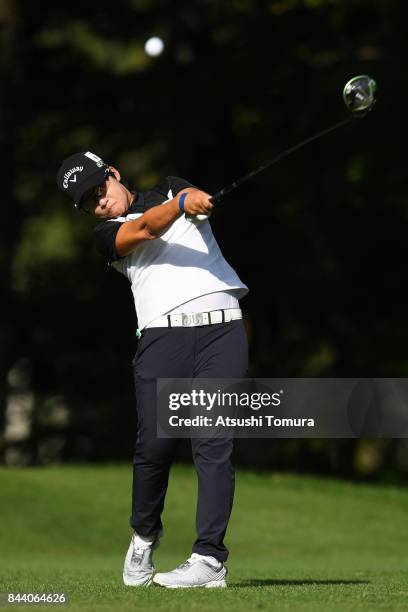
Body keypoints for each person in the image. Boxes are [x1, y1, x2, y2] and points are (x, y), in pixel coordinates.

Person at [57, 151, 249, 588]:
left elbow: (184, 192)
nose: (99, 203)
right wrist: (182, 206)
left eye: (99, 189)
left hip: (223, 333)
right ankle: (144, 536)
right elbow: (145, 228)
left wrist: (192, 196)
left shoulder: (169, 186)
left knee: (213, 445)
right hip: (164, 340)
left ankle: (209, 559)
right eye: (88, 202)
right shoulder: (106, 235)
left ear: (114, 174)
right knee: (155, 450)